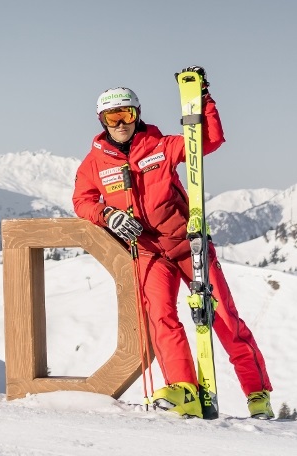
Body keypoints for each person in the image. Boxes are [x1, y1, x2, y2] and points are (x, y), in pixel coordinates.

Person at [72, 70, 273, 419]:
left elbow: (206, 141)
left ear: (138, 114)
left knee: (223, 316)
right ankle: (184, 388)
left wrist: (204, 102)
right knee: (161, 317)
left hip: (187, 244)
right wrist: (107, 215)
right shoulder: (94, 163)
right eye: (112, 117)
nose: (120, 123)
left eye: (127, 115)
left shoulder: (161, 146)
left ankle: (257, 392)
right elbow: (81, 200)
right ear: (102, 121)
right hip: (148, 251)